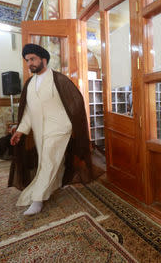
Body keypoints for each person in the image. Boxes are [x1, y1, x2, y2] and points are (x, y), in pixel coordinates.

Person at [9, 43, 103, 216]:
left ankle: (37, 199)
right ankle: (58, 183)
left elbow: (75, 102)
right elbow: (29, 111)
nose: (30, 63)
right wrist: (21, 130)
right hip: (39, 131)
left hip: (59, 128)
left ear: (43, 59)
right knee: (51, 161)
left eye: (33, 59)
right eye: (27, 60)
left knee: (49, 160)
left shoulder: (59, 80)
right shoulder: (30, 84)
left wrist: (72, 124)